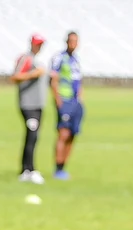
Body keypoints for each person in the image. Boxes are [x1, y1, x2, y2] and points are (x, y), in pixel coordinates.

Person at [11, 33, 48, 185]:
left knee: (33, 136)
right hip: (28, 105)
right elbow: (15, 77)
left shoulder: (38, 60)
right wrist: (33, 74)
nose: (40, 46)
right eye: (38, 43)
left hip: (38, 104)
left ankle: (26, 169)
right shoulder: (26, 59)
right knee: (32, 135)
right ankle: (29, 170)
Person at [49, 31, 83, 180]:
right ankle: (57, 168)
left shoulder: (76, 60)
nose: (73, 44)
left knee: (73, 135)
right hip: (64, 100)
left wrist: (80, 99)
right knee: (63, 133)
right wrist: (58, 100)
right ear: (66, 42)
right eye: (71, 41)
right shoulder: (59, 58)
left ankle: (64, 167)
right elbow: (54, 79)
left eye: (75, 41)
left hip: (76, 103)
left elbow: (78, 81)